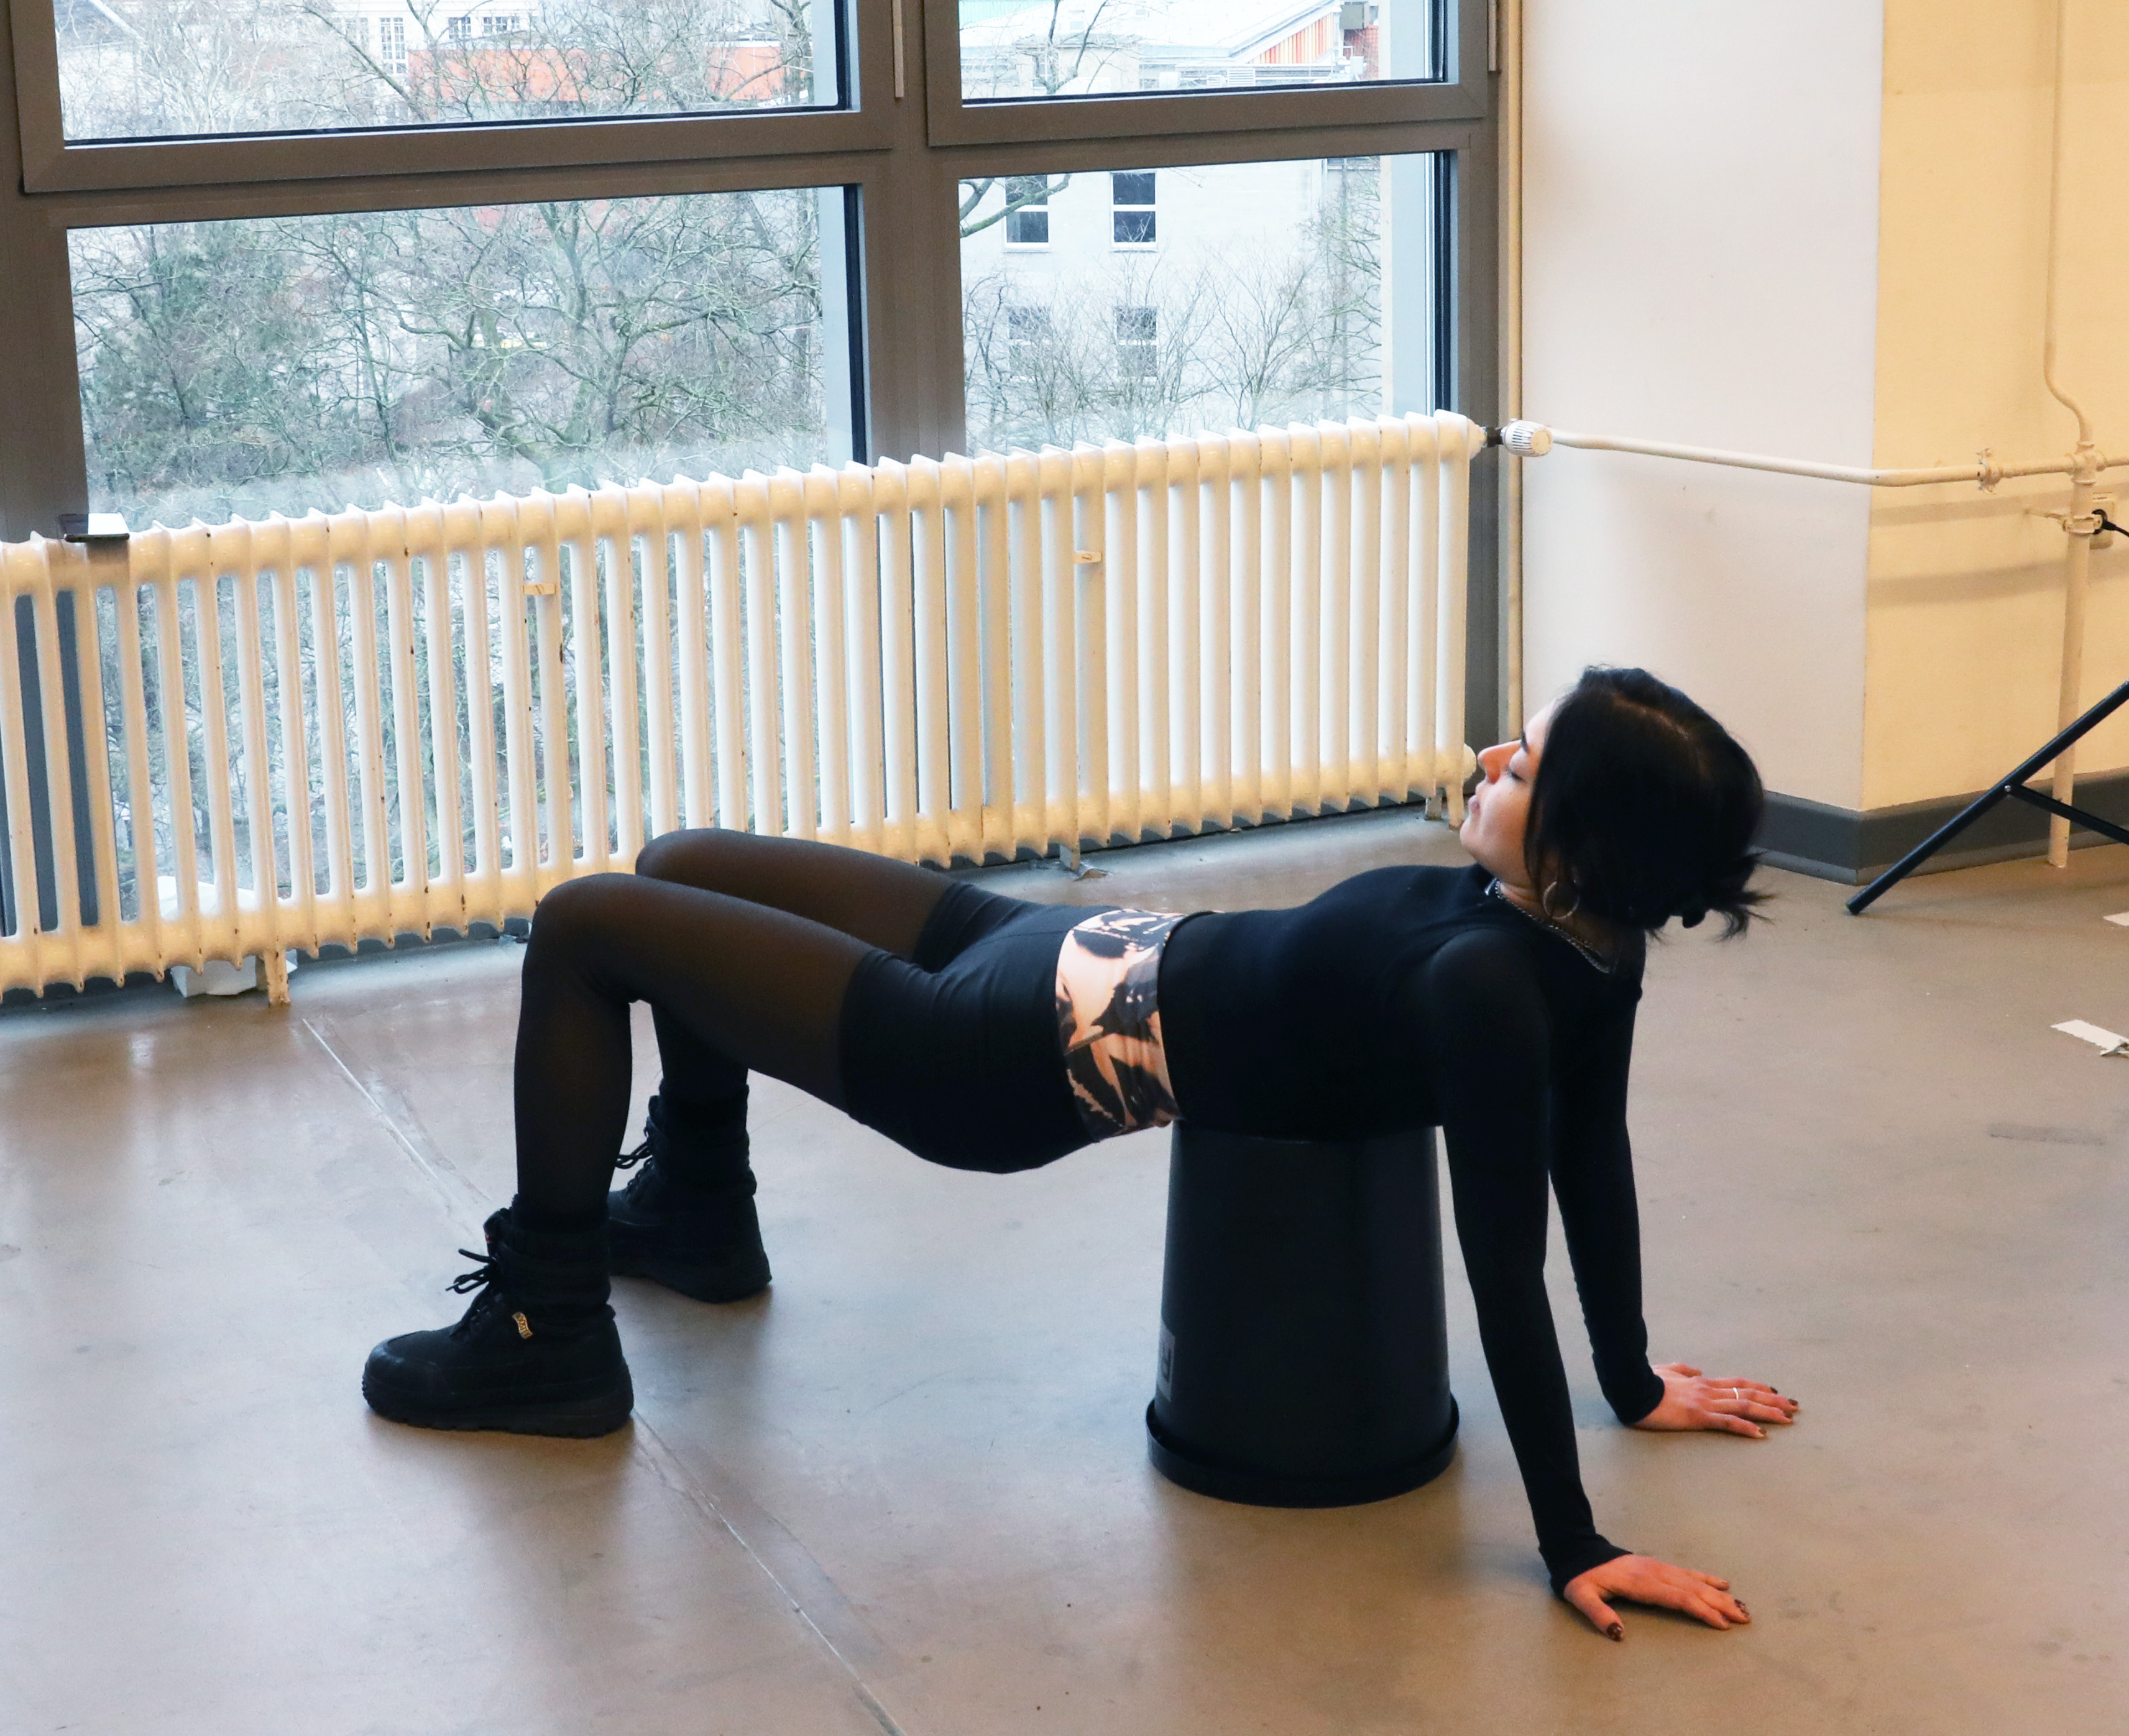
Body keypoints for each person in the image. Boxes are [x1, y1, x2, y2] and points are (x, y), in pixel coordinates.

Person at [361, 665, 1794, 1640]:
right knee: (679, 862)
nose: (1489, 758)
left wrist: (1573, 1540)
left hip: (986, 1057)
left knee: (585, 921)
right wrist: (1630, 1376)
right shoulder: (1587, 935)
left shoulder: (1494, 990)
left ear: (1581, 850)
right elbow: (1595, 1153)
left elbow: (1511, 1253)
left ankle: (549, 1332)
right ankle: (694, 1206)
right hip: (1066, 949)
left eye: (1522, 765)